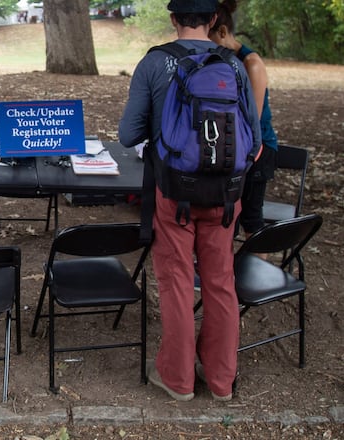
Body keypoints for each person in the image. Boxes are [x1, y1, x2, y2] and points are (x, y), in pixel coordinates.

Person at [118, 0, 262, 402]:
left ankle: (178, 379)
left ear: (173, 18)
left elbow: (128, 134)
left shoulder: (154, 64)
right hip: (226, 197)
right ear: (214, 19)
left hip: (174, 193)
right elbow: (255, 139)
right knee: (221, 283)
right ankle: (220, 380)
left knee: (177, 281)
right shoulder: (234, 66)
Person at [209, 0, 278, 243]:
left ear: (223, 32)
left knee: (252, 220)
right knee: (226, 219)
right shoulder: (217, 60)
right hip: (229, 145)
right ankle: (227, 275)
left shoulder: (252, 63)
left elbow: (253, 120)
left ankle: (258, 276)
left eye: (210, 39)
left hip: (257, 148)